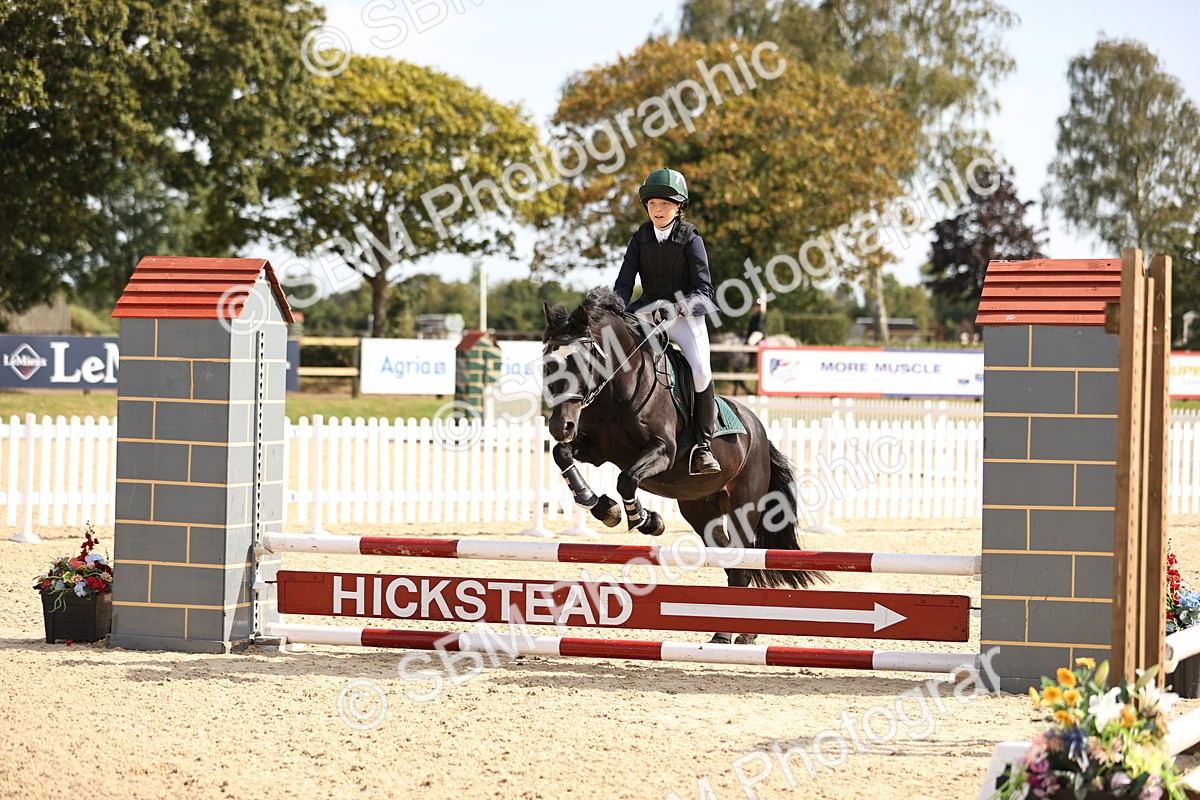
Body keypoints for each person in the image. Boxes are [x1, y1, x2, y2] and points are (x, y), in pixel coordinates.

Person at [613, 168, 720, 476]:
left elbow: (704, 289)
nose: (657, 210)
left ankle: (703, 445)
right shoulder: (640, 238)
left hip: (684, 316)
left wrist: (678, 308)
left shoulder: (691, 238)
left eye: (664, 204)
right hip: (648, 313)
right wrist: (615, 310)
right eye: (652, 204)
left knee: (700, 370)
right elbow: (623, 284)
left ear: (678, 207)